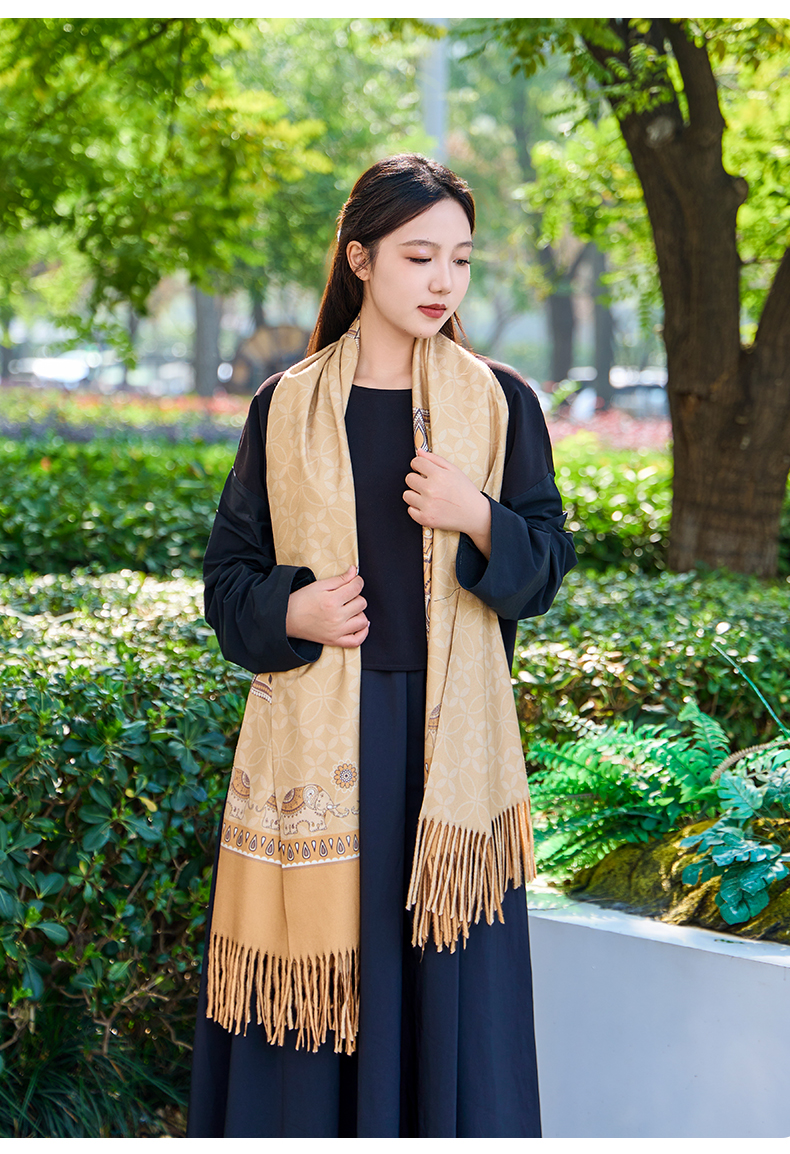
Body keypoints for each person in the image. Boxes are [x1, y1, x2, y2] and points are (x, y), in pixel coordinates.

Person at [187, 154, 576, 1139]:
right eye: (418, 256)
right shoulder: (286, 404)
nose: (443, 280)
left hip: (449, 764)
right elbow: (227, 582)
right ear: (360, 259)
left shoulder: (500, 402)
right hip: (325, 756)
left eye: (460, 259)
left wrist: (477, 515)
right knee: (315, 1024)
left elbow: (545, 566)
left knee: (448, 1011)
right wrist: (295, 612)